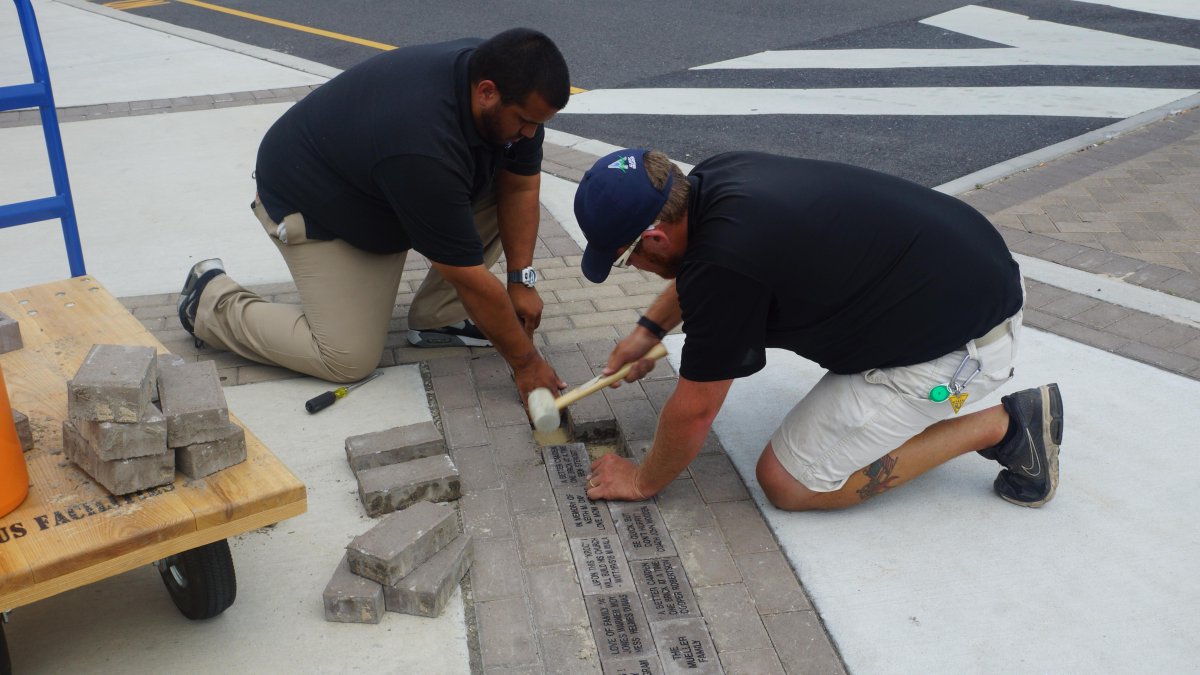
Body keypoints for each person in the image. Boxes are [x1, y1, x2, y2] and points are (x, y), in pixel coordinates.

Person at [574, 148, 1063, 511]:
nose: (633, 266)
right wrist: (647, 331)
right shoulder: (715, 178)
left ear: (655, 237)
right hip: (968, 276)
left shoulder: (725, 264)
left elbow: (696, 410)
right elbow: (709, 270)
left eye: (625, 257)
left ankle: (1008, 426)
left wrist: (642, 480)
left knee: (789, 484)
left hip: (963, 348)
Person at [176, 28, 568, 400]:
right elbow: (464, 273)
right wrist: (525, 362)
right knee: (347, 358)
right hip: (317, 203)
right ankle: (210, 300)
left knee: (493, 189)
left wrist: (521, 279)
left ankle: (439, 318)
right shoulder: (424, 143)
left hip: (386, 187)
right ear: (486, 92)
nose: (531, 135)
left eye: (539, 123)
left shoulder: (506, 83)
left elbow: (520, 186)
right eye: (526, 122)